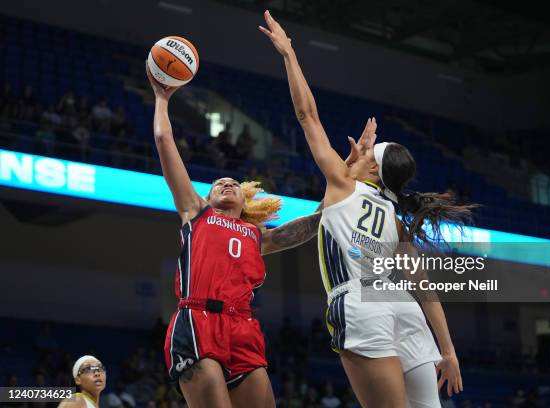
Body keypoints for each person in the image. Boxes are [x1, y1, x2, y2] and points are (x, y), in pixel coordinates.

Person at [260, 10, 475, 408]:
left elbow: (307, 116)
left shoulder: (342, 185)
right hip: (404, 309)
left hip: (360, 306)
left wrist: (289, 54)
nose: (353, 152)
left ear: (372, 167)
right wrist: (448, 351)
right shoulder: (395, 217)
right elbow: (424, 289)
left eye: (362, 153)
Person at [146, 63, 323, 408]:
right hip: (197, 318)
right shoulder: (196, 212)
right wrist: (162, 99)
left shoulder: (255, 234)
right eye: (217, 183)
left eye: (233, 184)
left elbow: (312, 224)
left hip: (242, 325)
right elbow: (164, 141)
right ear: (208, 196)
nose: (226, 183)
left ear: (245, 201)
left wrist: (345, 181)